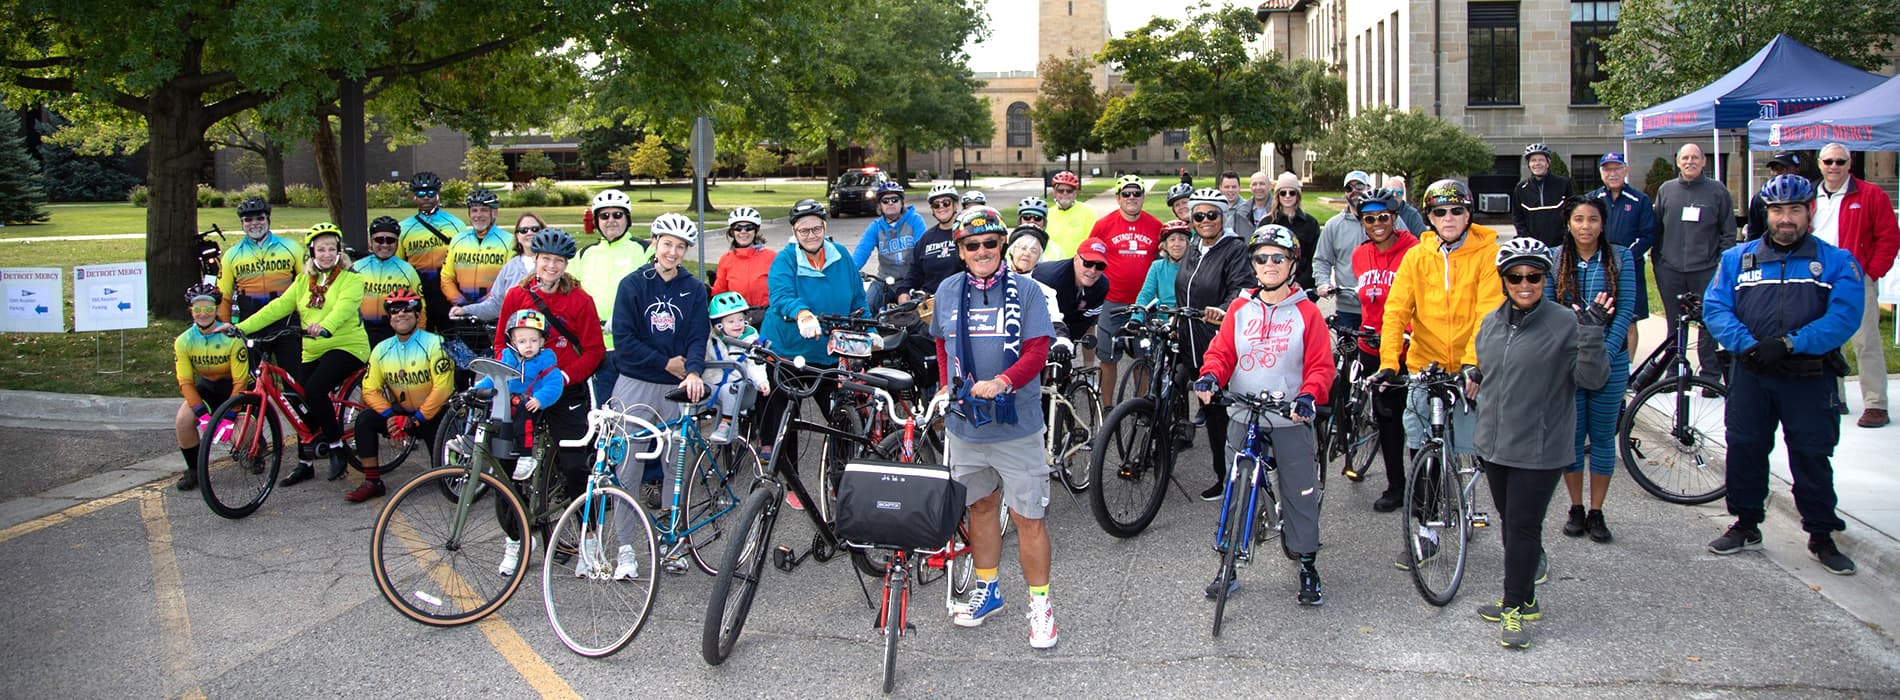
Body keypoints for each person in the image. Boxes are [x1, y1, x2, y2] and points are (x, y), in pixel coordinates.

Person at [1704, 174, 1867, 575]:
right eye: (1778, 210)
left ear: (1809, 212)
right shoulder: (1736, 260)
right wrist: (1746, 345)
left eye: (1795, 209)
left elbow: (1844, 318)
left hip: (1808, 376)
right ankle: (1746, 524)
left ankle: (1821, 535)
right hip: (1752, 372)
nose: (1786, 218)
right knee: (1745, 447)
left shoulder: (1836, 261)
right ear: (1767, 213)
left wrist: (1792, 343)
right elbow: (1716, 308)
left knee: (1812, 454)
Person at [1470, 238, 1612, 650]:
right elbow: (1490, 371)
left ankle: (1514, 606)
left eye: (1534, 276)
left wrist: (1591, 333)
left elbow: (1591, 380)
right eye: (1516, 277)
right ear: (1504, 281)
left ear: (1545, 278)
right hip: (1495, 446)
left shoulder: (1565, 323)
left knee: (1522, 527)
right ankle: (1526, 598)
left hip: (1540, 448)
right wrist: (1471, 375)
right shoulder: (1493, 322)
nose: (1525, 284)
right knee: (1510, 525)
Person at [932, 206, 1061, 649]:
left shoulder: (1026, 291)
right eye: (973, 245)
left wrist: (1004, 381)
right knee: (981, 509)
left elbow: (1038, 350)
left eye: (990, 243)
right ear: (961, 250)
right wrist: (946, 385)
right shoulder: (948, 290)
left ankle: (1041, 606)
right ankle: (988, 588)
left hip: (1017, 426)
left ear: (1001, 245)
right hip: (967, 427)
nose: (983, 251)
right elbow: (941, 342)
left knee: (1029, 518)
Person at [1193, 224, 1334, 605]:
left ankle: (1306, 562)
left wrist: (1308, 396)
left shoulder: (1307, 313)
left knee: (1299, 491)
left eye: (1278, 257)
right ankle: (1228, 564)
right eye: (1261, 258)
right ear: (1252, 264)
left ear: (1292, 263)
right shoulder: (1240, 308)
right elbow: (1222, 353)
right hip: (1244, 410)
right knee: (1236, 489)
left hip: (1290, 414)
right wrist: (1210, 376)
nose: (1269, 264)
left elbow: (1321, 366)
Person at [1373, 179, 1503, 572]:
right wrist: (1388, 363)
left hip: (1473, 365)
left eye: (1457, 211)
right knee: (1424, 451)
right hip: (1425, 364)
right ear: (1428, 217)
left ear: (1469, 214)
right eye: (1440, 212)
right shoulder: (1417, 256)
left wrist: (1471, 362)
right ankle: (1426, 533)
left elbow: (1487, 313)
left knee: (1492, 456)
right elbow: (1396, 310)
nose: (1449, 218)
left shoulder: (1487, 253)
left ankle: (1522, 539)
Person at [234, 223, 370, 485]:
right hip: (312, 348)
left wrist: (325, 327)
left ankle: (335, 446)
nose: (327, 254)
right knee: (296, 397)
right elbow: (277, 308)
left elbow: (343, 308)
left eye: (332, 249)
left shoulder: (352, 279)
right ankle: (305, 462)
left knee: (315, 390)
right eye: (321, 249)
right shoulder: (302, 281)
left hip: (347, 346)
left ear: (340, 251)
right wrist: (240, 328)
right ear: (312, 252)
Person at [493, 228, 605, 542]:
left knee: (574, 466)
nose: (551, 267)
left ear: (566, 264)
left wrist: (566, 376)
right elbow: (502, 340)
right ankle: (514, 538)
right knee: (506, 463)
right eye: (545, 259)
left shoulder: (579, 300)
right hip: (524, 389)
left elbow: (594, 350)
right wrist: (508, 375)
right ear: (535, 259)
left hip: (564, 387)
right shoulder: (518, 295)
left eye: (558, 261)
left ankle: (589, 535)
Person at [758, 199, 869, 509]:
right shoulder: (786, 260)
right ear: (794, 231)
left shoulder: (841, 256)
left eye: (816, 227)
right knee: (785, 417)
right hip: (788, 350)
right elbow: (781, 297)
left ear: (825, 227)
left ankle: (840, 481)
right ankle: (789, 482)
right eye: (803, 229)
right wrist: (803, 313)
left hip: (829, 352)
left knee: (839, 419)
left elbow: (858, 298)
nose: (810, 234)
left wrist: (869, 331)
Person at [1545, 198, 1636, 542]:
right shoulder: (1555, 257)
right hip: (1568, 361)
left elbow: (1626, 309)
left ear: (1603, 223)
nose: (1586, 226)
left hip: (1609, 362)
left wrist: (1605, 354)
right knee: (1571, 438)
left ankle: (1597, 511)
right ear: (1568, 223)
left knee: (1601, 438)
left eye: (1593, 220)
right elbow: (1551, 310)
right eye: (1579, 219)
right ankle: (1576, 507)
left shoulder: (1622, 258)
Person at [610, 213, 711, 523]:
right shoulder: (632, 285)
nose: (672, 252)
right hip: (636, 381)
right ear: (654, 243)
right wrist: (664, 362)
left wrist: (693, 370)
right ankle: (625, 545)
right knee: (627, 465)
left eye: (681, 246)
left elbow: (698, 335)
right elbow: (624, 339)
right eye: (667, 243)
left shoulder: (693, 288)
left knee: (675, 465)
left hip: (676, 386)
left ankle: (672, 541)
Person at [1176, 192, 1260, 500]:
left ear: (1223, 217)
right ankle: (1219, 473)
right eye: (1199, 216)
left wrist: (1225, 309)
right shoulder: (1195, 248)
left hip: (1219, 341)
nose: (1206, 221)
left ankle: (1231, 478)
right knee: (1206, 409)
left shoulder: (1234, 248)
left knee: (1222, 413)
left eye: (1213, 215)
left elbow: (1243, 285)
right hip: (1191, 340)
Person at [1812, 143, 1898, 428]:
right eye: (1829, 161)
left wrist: (1871, 273)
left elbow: (1889, 237)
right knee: (1826, 341)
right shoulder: (1809, 197)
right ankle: (1835, 398)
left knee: (1866, 341)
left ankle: (1875, 404)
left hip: (1855, 279)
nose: (1834, 166)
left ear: (1850, 164)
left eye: (1840, 161)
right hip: (1817, 279)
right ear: (1820, 163)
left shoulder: (1871, 195)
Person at [342, 288, 454, 503]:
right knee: (365, 420)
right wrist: (391, 415)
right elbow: (370, 390)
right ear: (389, 318)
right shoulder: (382, 349)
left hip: (434, 416)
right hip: (401, 414)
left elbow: (443, 389)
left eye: (407, 309)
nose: (400, 314)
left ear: (417, 314)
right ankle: (372, 482)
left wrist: (416, 419)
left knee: (445, 478)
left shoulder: (435, 344)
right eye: (394, 311)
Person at [1346, 190, 1419, 509]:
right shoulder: (1360, 255)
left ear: (1394, 218)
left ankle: (1426, 490)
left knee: (1417, 423)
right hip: (1372, 346)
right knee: (1387, 420)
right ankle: (1396, 486)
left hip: (1409, 349)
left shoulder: (1414, 251)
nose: (1377, 224)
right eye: (1369, 219)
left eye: (1383, 218)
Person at [485, 308, 570, 576]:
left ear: (543, 341)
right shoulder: (507, 358)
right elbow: (492, 378)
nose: (529, 346)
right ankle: (515, 539)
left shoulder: (546, 362)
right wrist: (477, 389)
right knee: (501, 483)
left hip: (529, 412)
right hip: (504, 418)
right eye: (522, 341)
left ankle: (526, 455)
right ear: (512, 341)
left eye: (534, 340)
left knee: (522, 409)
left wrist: (540, 399)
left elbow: (554, 385)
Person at [1652, 143, 1735, 385]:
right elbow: (1657, 229)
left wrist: (1720, 265)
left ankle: (1709, 376)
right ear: (1677, 161)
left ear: (1704, 161)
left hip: (1706, 269)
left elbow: (1728, 232)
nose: (1690, 162)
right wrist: (1658, 262)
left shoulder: (1717, 191)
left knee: (1707, 323)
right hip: (1670, 269)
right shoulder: (1666, 190)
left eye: (1695, 158)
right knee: (1674, 324)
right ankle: (1671, 373)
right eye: (1685, 157)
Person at [1087, 174, 1164, 405]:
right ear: (1118, 198)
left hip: (1145, 304)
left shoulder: (1156, 226)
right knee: (1108, 357)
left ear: (1143, 197)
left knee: (1145, 357)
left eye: (1136, 193)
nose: (1132, 198)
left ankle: (1138, 406)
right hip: (1112, 301)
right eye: (1126, 194)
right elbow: (1092, 258)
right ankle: (1108, 406)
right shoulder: (1103, 225)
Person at [573, 189, 650, 404]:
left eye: (618, 215)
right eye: (604, 216)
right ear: (597, 221)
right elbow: (569, 292)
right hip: (596, 346)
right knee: (603, 408)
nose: (611, 221)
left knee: (635, 408)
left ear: (628, 218)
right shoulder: (585, 254)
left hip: (633, 343)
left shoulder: (644, 250)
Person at [171, 284, 251, 491]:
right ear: (191, 311)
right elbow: (186, 382)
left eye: (208, 309)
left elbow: (240, 382)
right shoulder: (184, 341)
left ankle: (255, 447)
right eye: (197, 310)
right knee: (183, 420)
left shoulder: (231, 338)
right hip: (208, 388)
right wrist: (200, 412)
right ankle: (194, 470)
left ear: (216, 309)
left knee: (239, 438)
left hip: (234, 391)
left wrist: (229, 416)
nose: (203, 314)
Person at [217, 197, 303, 370]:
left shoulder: (291, 248)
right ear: (241, 223)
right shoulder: (232, 255)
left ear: (268, 219)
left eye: (260, 218)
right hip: (250, 323)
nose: (254, 223)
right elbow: (223, 296)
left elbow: (307, 287)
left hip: (286, 323)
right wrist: (225, 327)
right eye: (248, 220)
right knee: (252, 380)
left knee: (294, 377)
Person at [1587, 153, 1656, 356]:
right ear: (1601, 173)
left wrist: (1623, 257)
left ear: (1626, 170)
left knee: (1629, 319)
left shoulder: (1639, 200)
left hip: (1629, 269)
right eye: (1607, 169)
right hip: (1598, 268)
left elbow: (1648, 234)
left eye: (1617, 168)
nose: (1612, 173)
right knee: (1597, 316)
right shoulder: (1592, 199)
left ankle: (1627, 370)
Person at [396, 171, 468, 331]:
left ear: (437, 194)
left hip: (446, 292)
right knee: (420, 337)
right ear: (414, 196)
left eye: (431, 192)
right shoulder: (404, 228)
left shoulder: (455, 224)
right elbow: (400, 265)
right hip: (419, 292)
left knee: (451, 338)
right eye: (421, 193)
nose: (426, 197)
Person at [455, 211, 548, 322]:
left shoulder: (554, 264)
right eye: (524, 230)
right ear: (518, 236)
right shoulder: (510, 267)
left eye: (535, 229)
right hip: (517, 335)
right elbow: (495, 305)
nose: (529, 233)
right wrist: (465, 310)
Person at [704, 292, 770, 446]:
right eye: (731, 321)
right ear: (718, 325)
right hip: (714, 385)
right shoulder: (712, 341)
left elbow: (756, 365)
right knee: (691, 387)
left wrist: (761, 382)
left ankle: (726, 424)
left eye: (741, 319)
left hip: (739, 389)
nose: (738, 324)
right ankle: (686, 423)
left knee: (728, 390)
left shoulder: (751, 340)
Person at [1313, 171, 1377, 329]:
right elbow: (1322, 259)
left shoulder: (1385, 219)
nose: (1355, 191)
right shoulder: (1333, 225)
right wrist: (1323, 283)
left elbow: (1406, 251)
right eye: (1349, 188)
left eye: (1360, 186)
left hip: (1382, 306)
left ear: (1369, 188)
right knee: (1347, 351)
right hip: (1348, 308)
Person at [439, 188, 513, 320]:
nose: (478, 215)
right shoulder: (457, 240)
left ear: (495, 212)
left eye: (484, 210)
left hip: (493, 311)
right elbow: (446, 276)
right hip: (461, 310)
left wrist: (482, 305)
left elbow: (509, 281)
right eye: (474, 210)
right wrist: (459, 301)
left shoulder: (509, 241)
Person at [353, 215, 424, 347]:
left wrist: (418, 338)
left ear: (397, 242)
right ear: (370, 241)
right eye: (379, 240)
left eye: (390, 240)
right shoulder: (357, 268)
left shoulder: (407, 271)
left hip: (393, 332)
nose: (385, 245)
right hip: (359, 331)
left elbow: (421, 308)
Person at [1033, 239, 1110, 349]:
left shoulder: (1102, 286)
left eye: (1100, 266)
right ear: (1076, 259)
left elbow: (1084, 321)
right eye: (1088, 263)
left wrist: (1068, 343)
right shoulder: (1050, 280)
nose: (1093, 270)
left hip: (1070, 318)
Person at [852, 182, 927, 291]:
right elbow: (862, 250)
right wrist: (850, 272)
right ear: (880, 206)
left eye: (895, 200)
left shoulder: (915, 220)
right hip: (885, 281)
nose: (890, 203)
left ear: (902, 203)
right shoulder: (876, 226)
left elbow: (921, 250)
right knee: (869, 303)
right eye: (885, 201)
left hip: (912, 279)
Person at [710, 207, 773, 322]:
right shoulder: (726, 259)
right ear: (732, 232)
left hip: (767, 317)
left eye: (748, 228)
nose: (743, 232)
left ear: (756, 231)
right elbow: (719, 292)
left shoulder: (772, 257)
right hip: (738, 319)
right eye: (738, 228)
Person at [904, 185, 965, 297]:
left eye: (946, 203)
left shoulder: (965, 234)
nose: (941, 207)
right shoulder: (926, 239)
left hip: (960, 297)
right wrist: (903, 291)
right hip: (929, 300)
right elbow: (915, 271)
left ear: (955, 205)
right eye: (936, 204)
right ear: (932, 209)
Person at [1265, 172, 1322, 289]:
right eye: (1283, 192)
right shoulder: (1267, 223)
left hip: (1302, 287)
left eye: (1292, 192)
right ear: (1277, 196)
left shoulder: (1311, 223)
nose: (1287, 196)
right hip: (1273, 285)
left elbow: (1316, 257)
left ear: (1298, 195)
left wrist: (1301, 283)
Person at [1511, 143, 1574, 247]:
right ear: (1529, 164)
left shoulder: (1563, 184)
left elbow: (1571, 211)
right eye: (1533, 160)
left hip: (1560, 245)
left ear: (1548, 163)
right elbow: (1517, 217)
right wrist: (1526, 239)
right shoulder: (1521, 188)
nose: (1537, 163)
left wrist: (1566, 236)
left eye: (1541, 160)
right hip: (1533, 246)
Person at [1007, 225, 1068, 331]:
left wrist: (1062, 340)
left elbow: (1055, 321)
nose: (1027, 253)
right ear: (1012, 251)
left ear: (1039, 258)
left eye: (1033, 251)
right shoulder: (995, 284)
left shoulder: (1046, 292)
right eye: (1023, 248)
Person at [1746, 151, 1806, 242]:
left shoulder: (1808, 194)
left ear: (1796, 169)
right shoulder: (1760, 198)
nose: (1777, 173)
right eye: (1774, 169)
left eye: (1783, 168)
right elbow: (1754, 231)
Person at [1135, 219, 1190, 312]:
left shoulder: (1195, 266)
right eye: (1172, 240)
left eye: (1181, 239)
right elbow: (1146, 294)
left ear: (1188, 244)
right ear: (1165, 245)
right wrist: (1136, 317)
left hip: (1186, 318)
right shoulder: (1157, 267)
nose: (1177, 244)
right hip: (1163, 319)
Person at [1044, 170, 1097, 261]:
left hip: (1077, 265)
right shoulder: (1047, 214)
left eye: (1069, 191)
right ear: (1055, 193)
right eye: (1061, 191)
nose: (1065, 194)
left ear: (1075, 193)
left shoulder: (1088, 212)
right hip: (1053, 266)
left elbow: (1093, 241)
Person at [1229, 171, 1270, 238]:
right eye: (1254, 184)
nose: (1258, 187)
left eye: (1262, 184)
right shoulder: (1240, 213)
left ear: (1269, 186)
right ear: (1250, 187)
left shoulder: (1278, 211)